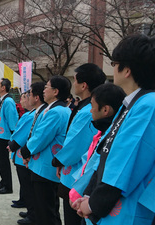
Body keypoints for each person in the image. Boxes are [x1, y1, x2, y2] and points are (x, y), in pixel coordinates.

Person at [74, 34, 155, 225]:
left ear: (127, 69)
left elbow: (125, 161)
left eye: (114, 62)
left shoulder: (147, 105)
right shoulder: (134, 103)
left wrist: (95, 204)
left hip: (127, 208)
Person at [52, 63, 107, 225]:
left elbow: (75, 145)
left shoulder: (87, 111)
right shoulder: (86, 107)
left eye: (75, 80)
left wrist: (58, 161)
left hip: (77, 174)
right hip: (77, 171)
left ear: (84, 85)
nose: (73, 84)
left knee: (73, 217)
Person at [20, 75, 71, 225]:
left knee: (45, 210)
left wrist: (25, 151)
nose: (44, 90)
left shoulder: (56, 112)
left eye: (47, 87)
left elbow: (40, 137)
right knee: (49, 208)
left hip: (44, 167)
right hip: (46, 165)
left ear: (55, 91)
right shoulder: (59, 110)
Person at [68, 83, 125, 214]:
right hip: (83, 194)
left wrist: (81, 195)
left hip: (89, 199)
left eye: (93, 106)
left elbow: (94, 168)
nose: (91, 110)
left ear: (105, 110)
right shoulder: (101, 132)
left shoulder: (111, 135)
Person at [9, 82, 47, 225]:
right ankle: (30, 210)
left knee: (30, 188)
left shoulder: (34, 114)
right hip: (21, 154)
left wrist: (13, 145)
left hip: (24, 154)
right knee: (26, 186)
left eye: (26, 96)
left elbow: (25, 134)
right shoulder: (31, 113)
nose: (23, 100)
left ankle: (32, 214)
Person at [0, 78, 19, 194]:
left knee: (3, 161)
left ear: (3, 87)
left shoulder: (8, 101)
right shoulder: (2, 100)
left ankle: (8, 186)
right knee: (0, 160)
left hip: (5, 135)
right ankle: (3, 181)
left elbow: (12, 120)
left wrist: (13, 136)